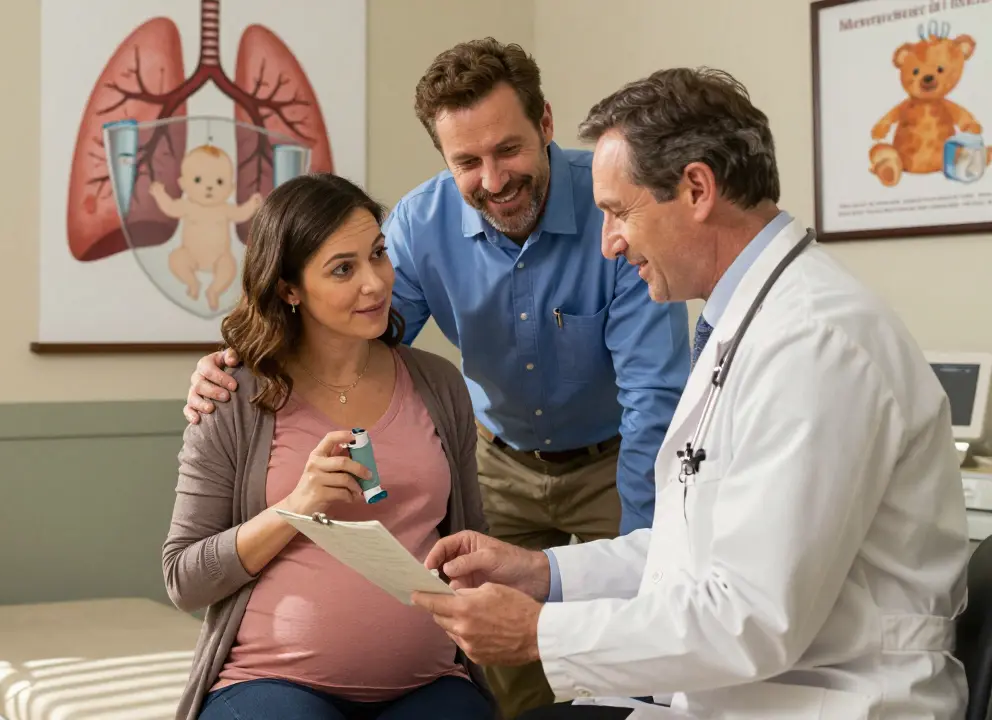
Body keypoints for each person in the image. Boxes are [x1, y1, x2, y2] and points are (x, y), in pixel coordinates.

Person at [410, 66, 972, 719]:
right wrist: (546, 575)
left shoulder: (816, 344)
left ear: (697, 188)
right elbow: (695, 550)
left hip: (833, 701)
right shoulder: (752, 323)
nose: (609, 243)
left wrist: (537, 632)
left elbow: (750, 617)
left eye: (619, 212)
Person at [180, 37, 691, 719]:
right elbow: (362, 332)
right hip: (501, 463)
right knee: (507, 670)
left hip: (615, 461)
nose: (493, 178)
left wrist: (649, 557)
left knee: (632, 661)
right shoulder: (420, 225)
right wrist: (242, 360)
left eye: (508, 150)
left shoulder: (612, 212)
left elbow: (652, 404)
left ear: (544, 123)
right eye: (467, 162)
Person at [162, 172, 497, 720]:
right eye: (343, 268)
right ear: (290, 289)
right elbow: (184, 577)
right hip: (270, 683)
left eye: (378, 255)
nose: (375, 283)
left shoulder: (438, 383)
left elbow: (469, 540)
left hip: (429, 681)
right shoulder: (232, 395)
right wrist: (294, 510)